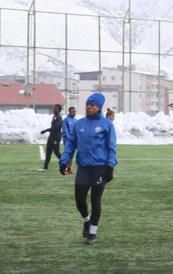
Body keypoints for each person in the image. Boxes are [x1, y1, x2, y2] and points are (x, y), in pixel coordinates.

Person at [59, 93, 117, 245]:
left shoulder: (107, 124)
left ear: (99, 108)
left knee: (95, 200)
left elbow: (112, 147)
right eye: (87, 104)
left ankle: (92, 232)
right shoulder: (79, 124)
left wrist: (110, 166)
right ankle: (87, 219)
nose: (88, 107)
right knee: (79, 200)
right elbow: (70, 144)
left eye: (92, 105)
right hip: (83, 168)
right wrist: (64, 161)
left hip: (100, 168)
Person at [38, 104, 63, 171]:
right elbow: (53, 127)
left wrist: (46, 130)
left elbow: (55, 128)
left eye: (55, 109)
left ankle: (64, 163)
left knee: (56, 152)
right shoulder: (54, 117)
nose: (54, 110)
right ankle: (45, 167)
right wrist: (47, 131)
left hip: (56, 138)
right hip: (51, 137)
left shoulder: (59, 118)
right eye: (53, 108)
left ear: (59, 110)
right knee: (48, 152)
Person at [61, 106, 77, 175]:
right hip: (68, 141)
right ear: (69, 111)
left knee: (72, 156)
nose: (74, 113)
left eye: (75, 111)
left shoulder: (75, 120)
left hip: (74, 141)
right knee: (67, 154)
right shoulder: (66, 120)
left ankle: (69, 168)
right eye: (73, 111)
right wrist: (69, 139)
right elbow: (65, 131)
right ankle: (64, 169)